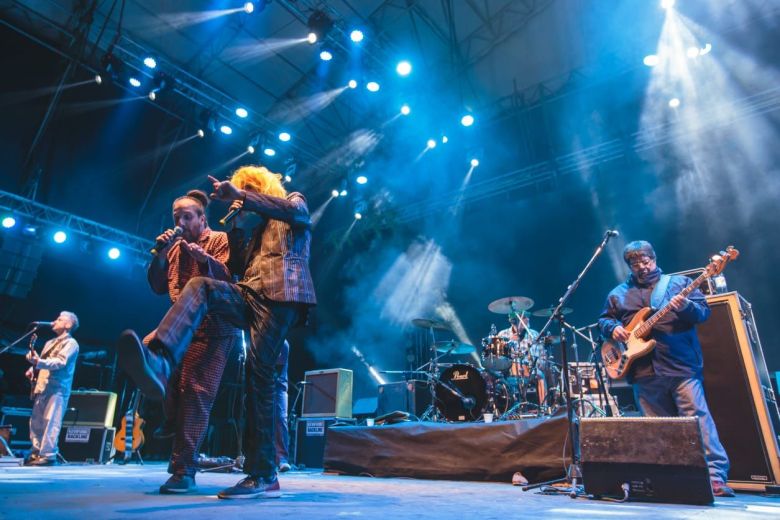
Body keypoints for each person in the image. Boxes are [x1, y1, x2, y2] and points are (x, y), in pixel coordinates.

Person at [118, 165, 316, 500]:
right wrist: (238, 228)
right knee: (202, 287)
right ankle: (162, 359)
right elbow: (235, 270)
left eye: (250, 189)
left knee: (259, 378)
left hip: (281, 295)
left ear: (262, 188)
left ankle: (263, 474)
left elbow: (295, 211)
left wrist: (241, 197)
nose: (242, 197)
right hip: (249, 295)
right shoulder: (254, 229)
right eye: (242, 191)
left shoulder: (291, 203)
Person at [598, 240, 734, 497]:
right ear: (629, 265)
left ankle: (715, 477)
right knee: (657, 430)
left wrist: (685, 306)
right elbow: (604, 318)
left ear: (654, 258)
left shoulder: (678, 284)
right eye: (635, 264)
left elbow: (703, 313)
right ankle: (668, 478)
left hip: (680, 364)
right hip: (643, 369)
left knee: (698, 420)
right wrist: (611, 328)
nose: (642, 267)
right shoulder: (618, 293)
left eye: (645, 261)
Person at [141, 189, 236, 494]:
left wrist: (204, 260)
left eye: (186, 216)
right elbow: (157, 287)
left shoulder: (219, 240)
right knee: (154, 358)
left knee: (195, 394)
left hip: (214, 328)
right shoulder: (173, 249)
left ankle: (184, 471)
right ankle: (171, 417)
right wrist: (158, 254)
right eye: (176, 217)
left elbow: (230, 281)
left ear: (201, 218)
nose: (180, 221)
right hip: (180, 331)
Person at [25, 311, 80, 466]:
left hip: (57, 389)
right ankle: (36, 452)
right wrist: (33, 368)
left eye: (59, 319)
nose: (54, 321)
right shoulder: (49, 343)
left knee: (51, 421)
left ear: (68, 325)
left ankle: (48, 455)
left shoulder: (71, 343)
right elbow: (42, 363)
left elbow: (60, 362)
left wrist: (39, 362)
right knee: (36, 422)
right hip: (42, 387)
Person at [274, 340, 291, 472]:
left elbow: (275, 371)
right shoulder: (258, 342)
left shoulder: (282, 344)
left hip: (277, 387)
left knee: (280, 419)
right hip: (260, 385)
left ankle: (282, 459)